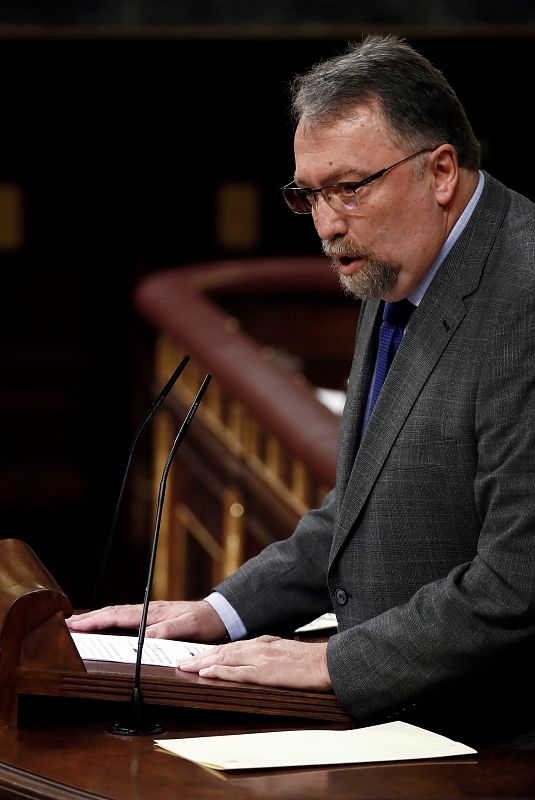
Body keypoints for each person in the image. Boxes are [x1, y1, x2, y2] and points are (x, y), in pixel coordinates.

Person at [67, 34, 535, 745]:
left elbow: (517, 581)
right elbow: (368, 500)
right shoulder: (397, 256)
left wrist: (331, 661)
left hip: (495, 745)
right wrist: (222, 611)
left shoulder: (522, 296)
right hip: (410, 725)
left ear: (440, 171)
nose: (324, 224)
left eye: (348, 188)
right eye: (307, 195)